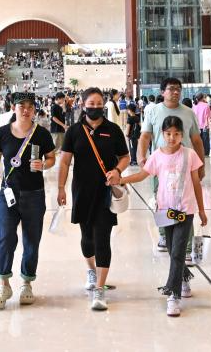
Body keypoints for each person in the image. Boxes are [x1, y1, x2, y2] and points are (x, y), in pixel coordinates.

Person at [121, 116, 207, 317]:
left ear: (182, 135)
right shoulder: (157, 156)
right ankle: (183, 277)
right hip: (165, 210)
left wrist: (202, 210)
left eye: (176, 134)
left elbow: (196, 183)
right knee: (171, 249)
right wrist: (121, 179)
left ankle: (173, 295)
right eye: (168, 134)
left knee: (178, 252)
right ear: (162, 134)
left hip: (185, 210)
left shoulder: (190, 155)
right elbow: (142, 175)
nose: (172, 138)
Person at [58, 87, 130, 311]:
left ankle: (100, 288)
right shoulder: (74, 131)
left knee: (102, 239)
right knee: (87, 238)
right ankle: (91, 270)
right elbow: (64, 162)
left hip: (105, 192)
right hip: (82, 191)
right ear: (83, 105)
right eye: (91, 104)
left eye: (99, 103)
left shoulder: (113, 130)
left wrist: (117, 170)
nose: (96, 107)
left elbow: (125, 157)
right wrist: (60, 188)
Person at [0, 92, 56, 309]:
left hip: (34, 194)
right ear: (13, 108)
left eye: (30, 107)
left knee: (31, 240)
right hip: (9, 194)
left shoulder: (41, 133)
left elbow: (52, 157)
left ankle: (26, 283)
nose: (26, 110)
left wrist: (44, 165)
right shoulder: (3, 132)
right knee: (5, 237)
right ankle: (4, 284)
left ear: (34, 110)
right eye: (21, 106)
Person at [138, 77, 204, 253]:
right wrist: (141, 156)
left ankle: (186, 245)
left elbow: (196, 140)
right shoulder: (153, 111)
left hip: (185, 166)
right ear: (162, 92)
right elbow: (145, 136)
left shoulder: (189, 112)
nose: (175, 92)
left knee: (185, 203)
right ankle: (165, 235)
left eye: (178, 89)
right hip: (162, 166)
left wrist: (202, 165)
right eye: (171, 89)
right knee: (162, 200)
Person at [192, 93, 211, 158]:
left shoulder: (194, 105)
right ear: (203, 98)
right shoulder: (206, 105)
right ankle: (206, 153)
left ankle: (198, 152)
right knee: (205, 140)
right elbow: (208, 116)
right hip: (204, 126)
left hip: (196, 126)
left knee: (198, 140)